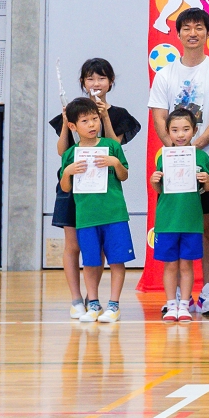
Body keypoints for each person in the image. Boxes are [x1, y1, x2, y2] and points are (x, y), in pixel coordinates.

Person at [147, 7, 209, 317]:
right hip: (174, 163)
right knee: (175, 224)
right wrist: (176, 150)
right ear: (179, 34)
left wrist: (194, 148)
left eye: (199, 27)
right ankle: (175, 297)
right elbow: (159, 116)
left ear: (208, 33)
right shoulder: (165, 74)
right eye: (187, 28)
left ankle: (208, 290)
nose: (193, 33)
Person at [49, 59, 140, 321]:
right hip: (75, 187)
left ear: (110, 82)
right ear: (82, 82)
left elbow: (112, 148)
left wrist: (105, 117)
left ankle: (99, 301)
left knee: (105, 250)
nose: (96, 83)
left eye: (101, 78)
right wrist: (66, 122)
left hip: (104, 191)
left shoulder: (118, 114)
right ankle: (77, 300)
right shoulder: (74, 111)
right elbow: (63, 151)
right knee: (74, 244)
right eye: (90, 78)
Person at [58, 98, 131, 323]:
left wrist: (115, 163)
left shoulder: (112, 146)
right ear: (72, 126)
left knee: (117, 260)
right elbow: (65, 187)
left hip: (114, 214)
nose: (92, 124)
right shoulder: (71, 153)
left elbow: (124, 175)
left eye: (94, 119)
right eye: (85, 121)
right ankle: (93, 304)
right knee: (90, 261)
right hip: (86, 217)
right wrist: (67, 172)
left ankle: (114, 305)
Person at [149, 108, 209, 322]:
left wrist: (206, 179)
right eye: (175, 130)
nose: (180, 134)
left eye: (186, 129)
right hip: (167, 221)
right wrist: (154, 181)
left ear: (194, 130)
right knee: (170, 265)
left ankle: (185, 304)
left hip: (191, 220)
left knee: (186, 265)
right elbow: (160, 189)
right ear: (168, 132)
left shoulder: (201, 156)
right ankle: (171, 304)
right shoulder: (164, 156)